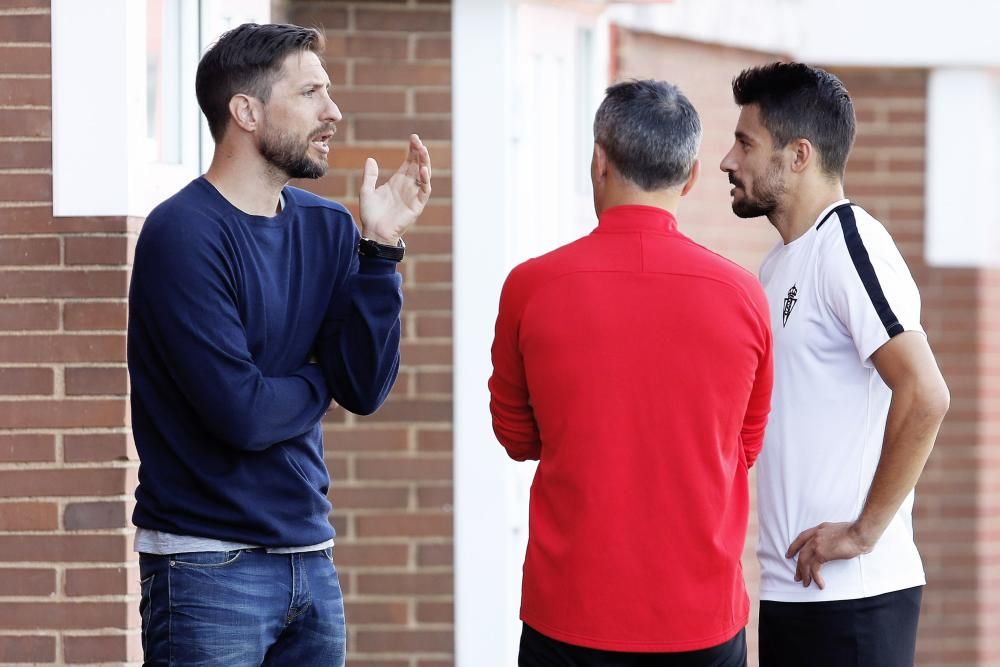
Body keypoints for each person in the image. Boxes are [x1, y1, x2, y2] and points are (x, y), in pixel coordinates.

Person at [127, 23, 431, 666]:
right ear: (246, 110)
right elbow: (243, 413)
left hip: (309, 557)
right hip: (206, 564)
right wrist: (320, 381)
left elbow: (365, 387)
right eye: (311, 93)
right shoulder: (182, 234)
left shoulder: (327, 227)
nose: (334, 111)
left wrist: (379, 253)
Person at [489, 79, 773, 667]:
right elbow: (744, 447)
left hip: (571, 610)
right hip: (701, 617)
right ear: (692, 175)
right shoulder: (744, 295)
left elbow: (518, 439)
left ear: (599, 163)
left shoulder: (531, 286)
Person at [720, 62, 950, 667]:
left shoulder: (849, 243)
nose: (728, 161)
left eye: (745, 143)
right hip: (793, 593)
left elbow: (925, 391)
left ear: (798, 155)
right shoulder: (776, 268)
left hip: (856, 599)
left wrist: (863, 532)